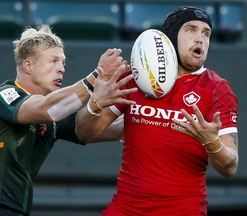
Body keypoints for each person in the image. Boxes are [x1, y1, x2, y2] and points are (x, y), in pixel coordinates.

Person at [75, 6, 239, 215]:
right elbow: (84, 132)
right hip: (127, 206)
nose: (200, 39)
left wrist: (212, 141)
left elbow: (230, 167)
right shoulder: (134, 78)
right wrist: (95, 104)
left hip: (182, 209)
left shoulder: (217, 89)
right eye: (191, 30)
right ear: (169, 38)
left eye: (206, 33)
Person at [0, 24, 137, 216]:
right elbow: (48, 109)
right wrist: (96, 77)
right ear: (28, 65)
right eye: (53, 61)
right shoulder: (3, 95)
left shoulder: (57, 113)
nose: (61, 69)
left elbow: (92, 130)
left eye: (63, 63)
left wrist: (130, 106)